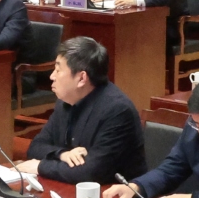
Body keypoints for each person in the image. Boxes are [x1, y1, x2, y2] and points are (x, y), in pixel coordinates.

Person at [15, 37, 145, 186]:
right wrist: (62, 154)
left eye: (58, 70)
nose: (52, 76)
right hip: (71, 187)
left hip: (112, 194)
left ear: (82, 78)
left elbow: (91, 172)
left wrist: (40, 166)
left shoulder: (117, 111)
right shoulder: (66, 101)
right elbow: (35, 147)